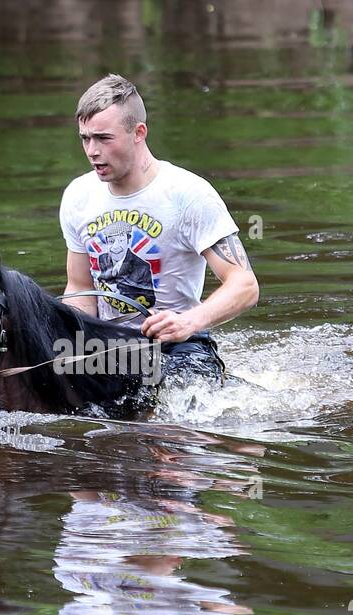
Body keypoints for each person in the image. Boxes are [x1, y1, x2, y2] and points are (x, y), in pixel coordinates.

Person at [59, 74, 259, 384]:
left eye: (104, 138)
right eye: (85, 138)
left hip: (180, 347)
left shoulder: (188, 194)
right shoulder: (78, 196)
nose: (92, 150)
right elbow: (78, 286)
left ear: (139, 132)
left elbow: (245, 285)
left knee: (172, 420)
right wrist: (72, 341)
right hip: (107, 346)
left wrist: (188, 322)